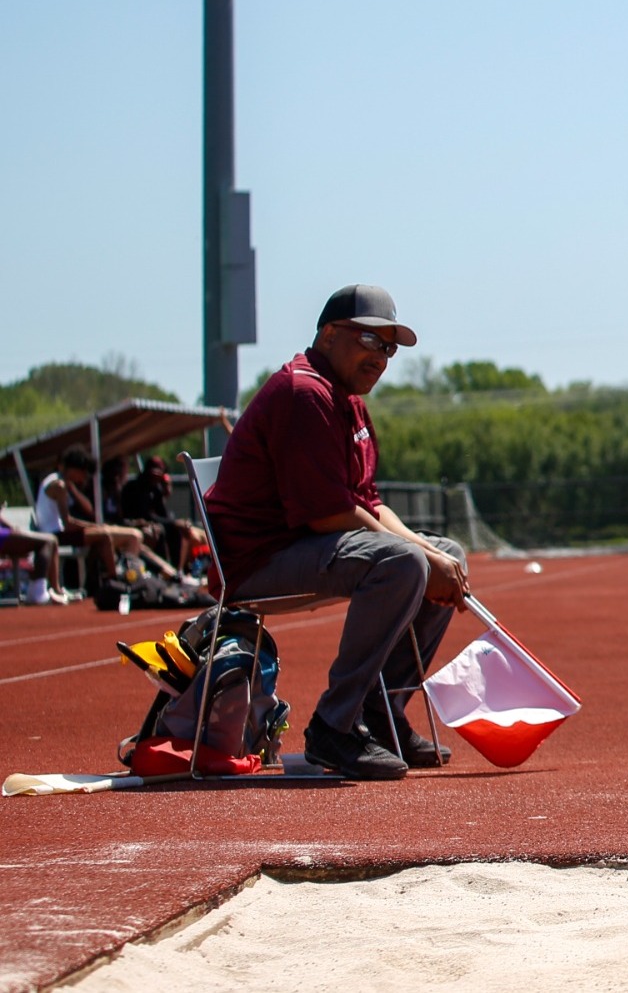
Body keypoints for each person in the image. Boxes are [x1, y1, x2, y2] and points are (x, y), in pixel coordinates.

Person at [203, 284, 468, 780]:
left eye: (389, 348)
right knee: (404, 562)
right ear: (329, 334)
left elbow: (368, 504)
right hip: (258, 562)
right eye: (371, 340)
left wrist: (432, 553)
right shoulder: (306, 394)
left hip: (303, 546)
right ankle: (334, 725)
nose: (382, 358)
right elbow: (328, 516)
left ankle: (381, 714)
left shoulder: (348, 401)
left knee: (442, 551)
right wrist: (418, 556)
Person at [33, 446, 165, 587]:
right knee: (107, 535)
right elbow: (68, 523)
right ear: (76, 469)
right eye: (84, 473)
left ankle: (114, 578)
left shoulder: (63, 483)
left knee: (123, 536)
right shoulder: (59, 485)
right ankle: (118, 580)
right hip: (55, 535)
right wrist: (98, 527)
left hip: (59, 533)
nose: (84, 478)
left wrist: (72, 487)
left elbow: (89, 509)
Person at [119, 455, 208, 573]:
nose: (155, 476)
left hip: (155, 523)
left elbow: (163, 514)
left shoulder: (155, 489)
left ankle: (180, 570)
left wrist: (164, 490)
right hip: (138, 524)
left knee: (184, 531)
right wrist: (174, 523)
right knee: (162, 531)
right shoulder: (135, 487)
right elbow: (146, 515)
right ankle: (168, 572)